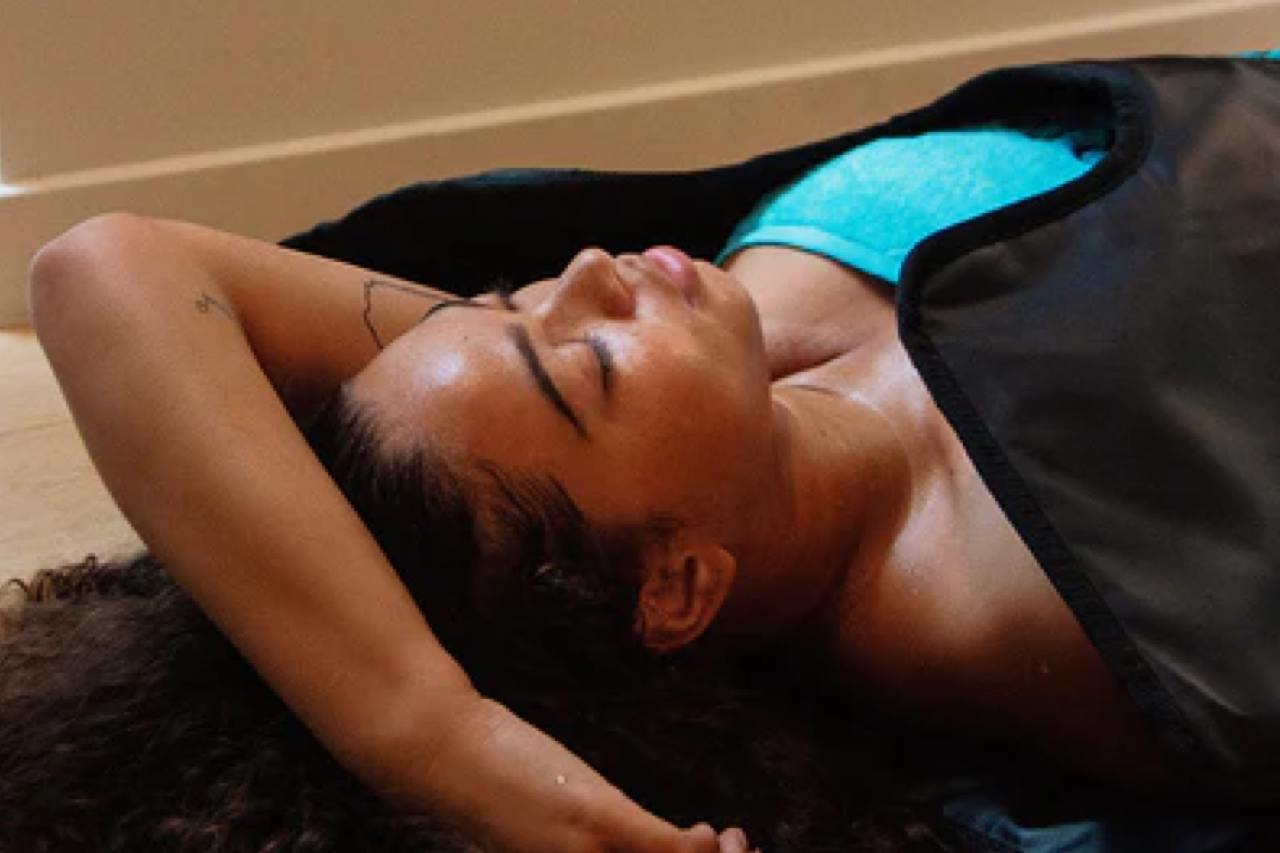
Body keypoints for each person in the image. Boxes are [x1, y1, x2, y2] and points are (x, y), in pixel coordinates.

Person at [15, 51, 1280, 851]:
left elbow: (105, 265)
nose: (577, 278)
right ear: (678, 585)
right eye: (577, 368)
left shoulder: (690, 400)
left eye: (500, 300)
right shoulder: (1060, 604)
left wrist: (423, 730)